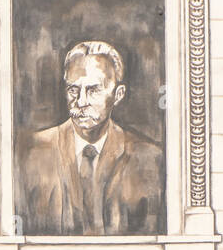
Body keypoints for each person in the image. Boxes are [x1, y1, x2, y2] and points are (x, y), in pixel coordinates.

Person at [16, 39, 164, 235]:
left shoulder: (149, 158)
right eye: (73, 90)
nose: (81, 102)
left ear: (118, 95)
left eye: (93, 90)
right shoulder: (31, 154)